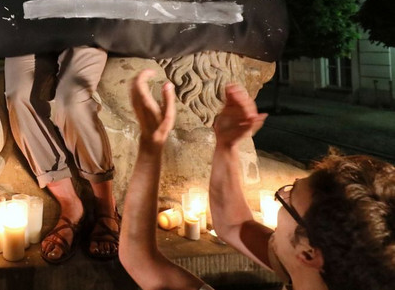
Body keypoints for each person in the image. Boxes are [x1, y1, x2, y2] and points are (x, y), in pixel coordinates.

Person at [120, 69, 395, 290]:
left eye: (287, 198)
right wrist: (226, 145)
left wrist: (151, 143)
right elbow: (236, 225)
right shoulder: (334, 268)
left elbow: (141, 260)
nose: (282, 196)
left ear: (310, 255)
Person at [5, 0, 118, 264]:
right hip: (31, 21)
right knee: (18, 96)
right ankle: (70, 204)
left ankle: (106, 206)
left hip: (88, 21)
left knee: (72, 97)